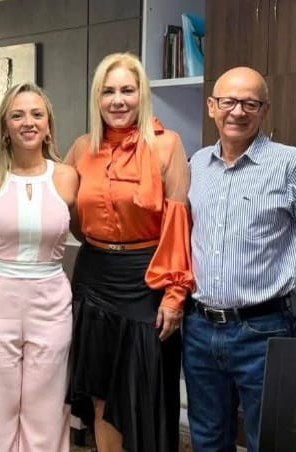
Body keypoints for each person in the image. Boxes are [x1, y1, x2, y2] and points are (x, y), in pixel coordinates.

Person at [184, 66, 296, 452]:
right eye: (228, 102)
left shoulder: (290, 164)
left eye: (250, 103)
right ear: (211, 107)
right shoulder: (196, 166)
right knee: (207, 438)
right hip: (200, 329)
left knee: (270, 439)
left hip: (264, 331)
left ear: (265, 110)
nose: (237, 112)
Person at [65, 52, 193, 452]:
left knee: (144, 390)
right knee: (101, 392)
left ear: (142, 95)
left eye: (127, 90)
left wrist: (175, 296)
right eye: (108, 92)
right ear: (97, 99)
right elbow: (70, 216)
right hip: (94, 276)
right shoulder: (82, 148)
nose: (118, 100)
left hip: (147, 279)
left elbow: (177, 227)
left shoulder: (168, 145)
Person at [0, 82, 78, 452]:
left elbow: (86, 230)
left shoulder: (66, 176)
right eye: (17, 115)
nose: (27, 122)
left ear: (48, 125)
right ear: (5, 127)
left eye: (36, 114)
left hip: (51, 303)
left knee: (46, 408)